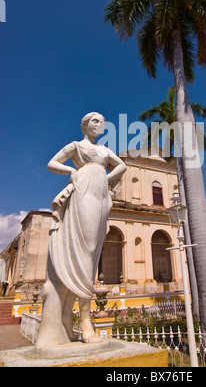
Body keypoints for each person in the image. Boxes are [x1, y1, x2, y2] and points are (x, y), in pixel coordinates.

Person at [36, 112, 127, 350]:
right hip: (83, 188)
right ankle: (86, 323)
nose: (100, 124)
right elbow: (52, 163)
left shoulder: (105, 151)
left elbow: (123, 166)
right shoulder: (76, 146)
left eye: (102, 122)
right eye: (95, 121)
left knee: (95, 247)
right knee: (86, 248)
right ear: (85, 125)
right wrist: (72, 172)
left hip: (101, 194)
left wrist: (105, 176)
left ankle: (82, 318)